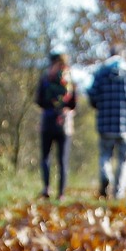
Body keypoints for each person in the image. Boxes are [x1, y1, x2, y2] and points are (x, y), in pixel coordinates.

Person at [87, 45, 126, 199]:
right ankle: (118, 192)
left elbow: (92, 96)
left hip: (105, 124)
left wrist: (100, 106)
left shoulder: (100, 73)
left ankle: (106, 175)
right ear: (123, 55)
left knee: (105, 156)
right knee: (124, 161)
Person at [35, 48, 76, 200]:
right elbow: (73, 102)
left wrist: (49, 106)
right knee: (63, 159)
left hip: (47, 120)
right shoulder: (69, 78)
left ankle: (46, 188)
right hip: (65, 123)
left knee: (46, 156)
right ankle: (61, 193)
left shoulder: (46, 78)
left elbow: (38, 100)